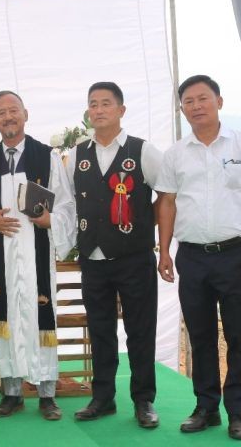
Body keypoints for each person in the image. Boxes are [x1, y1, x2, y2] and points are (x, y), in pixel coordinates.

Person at [157, 75, 241, 440]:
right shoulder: (175, 154)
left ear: (219, 102)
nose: (196, 106)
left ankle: (238, 411)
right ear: (182, 109)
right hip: (192, 257)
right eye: (188, 101)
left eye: (203, 98)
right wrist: (164, 251)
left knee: (239, 336)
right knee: (201, 335)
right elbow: (168, 204)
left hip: (238, 254)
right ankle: (205, 407)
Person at [0, 90, 75, 421]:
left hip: (36, 251)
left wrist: (50, 219)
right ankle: (11, 392)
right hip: (3, 256)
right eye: (1, 112)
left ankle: (47, 394)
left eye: (13, 110)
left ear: (26, 114)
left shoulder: (47, 157)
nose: (8, 117)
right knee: (6, 316)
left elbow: (67, 203)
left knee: (40, 316)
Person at [65, 82, 163, 428]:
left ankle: (143, 400)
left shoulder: (144, 151)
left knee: (140, 329)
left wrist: (162, 248)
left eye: (106, 103)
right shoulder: (76, 154)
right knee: (101, 330)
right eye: (93, 104)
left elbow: (166, 197)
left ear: (121, 110)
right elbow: (66, 204)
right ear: (88, 111)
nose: (99, 109)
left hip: (134, 256)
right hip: (93, 259)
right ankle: (103, 397)